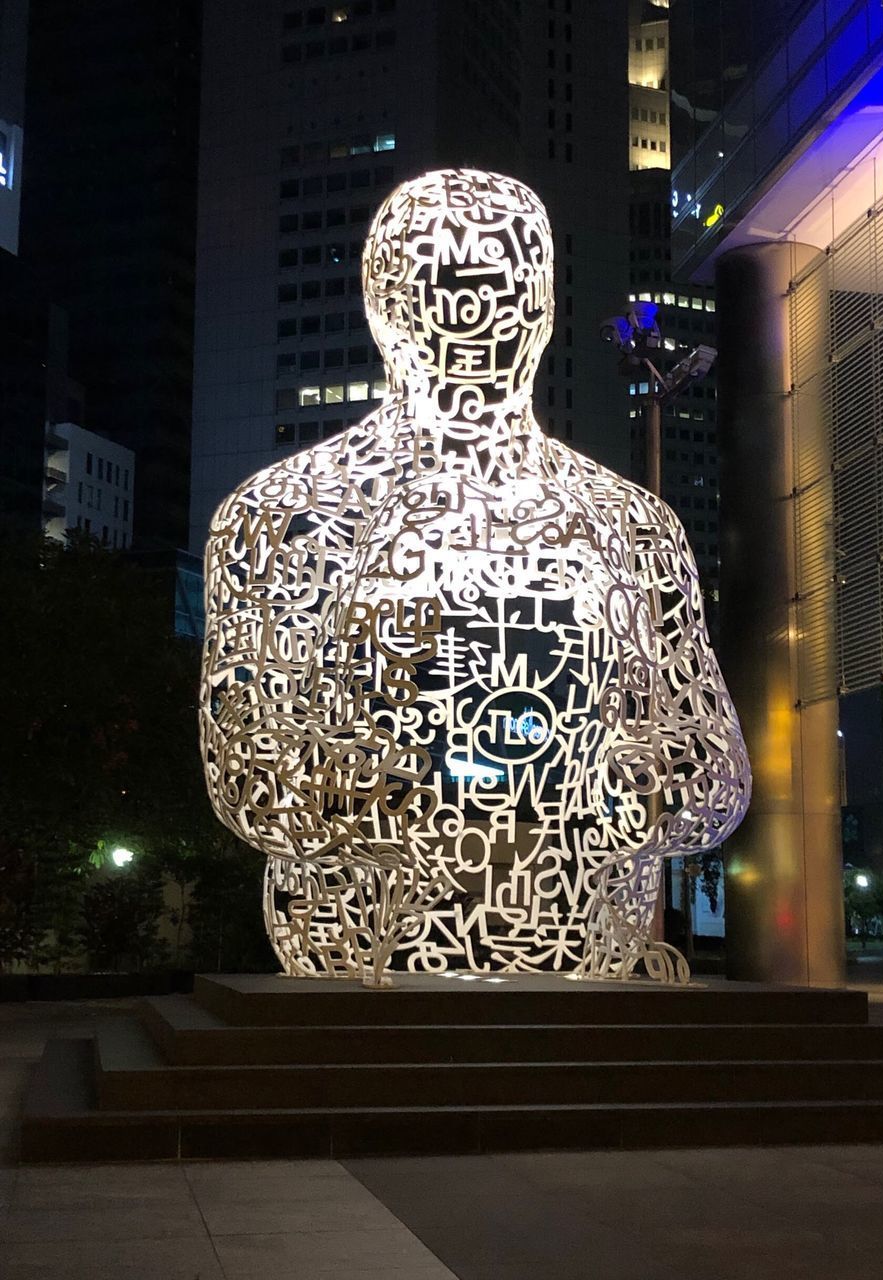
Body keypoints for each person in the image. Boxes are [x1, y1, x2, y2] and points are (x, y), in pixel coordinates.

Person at [200, 169, 750, 985]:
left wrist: (593, 795)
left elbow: (711, 767)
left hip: (576, 946)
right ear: (381, 301)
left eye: (498, 286)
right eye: (444, 284)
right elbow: (250, 765)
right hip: (365, 953)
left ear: (543, 304)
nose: (467, 313)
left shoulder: (631, 526)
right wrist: (408, 795)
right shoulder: (286, 513)